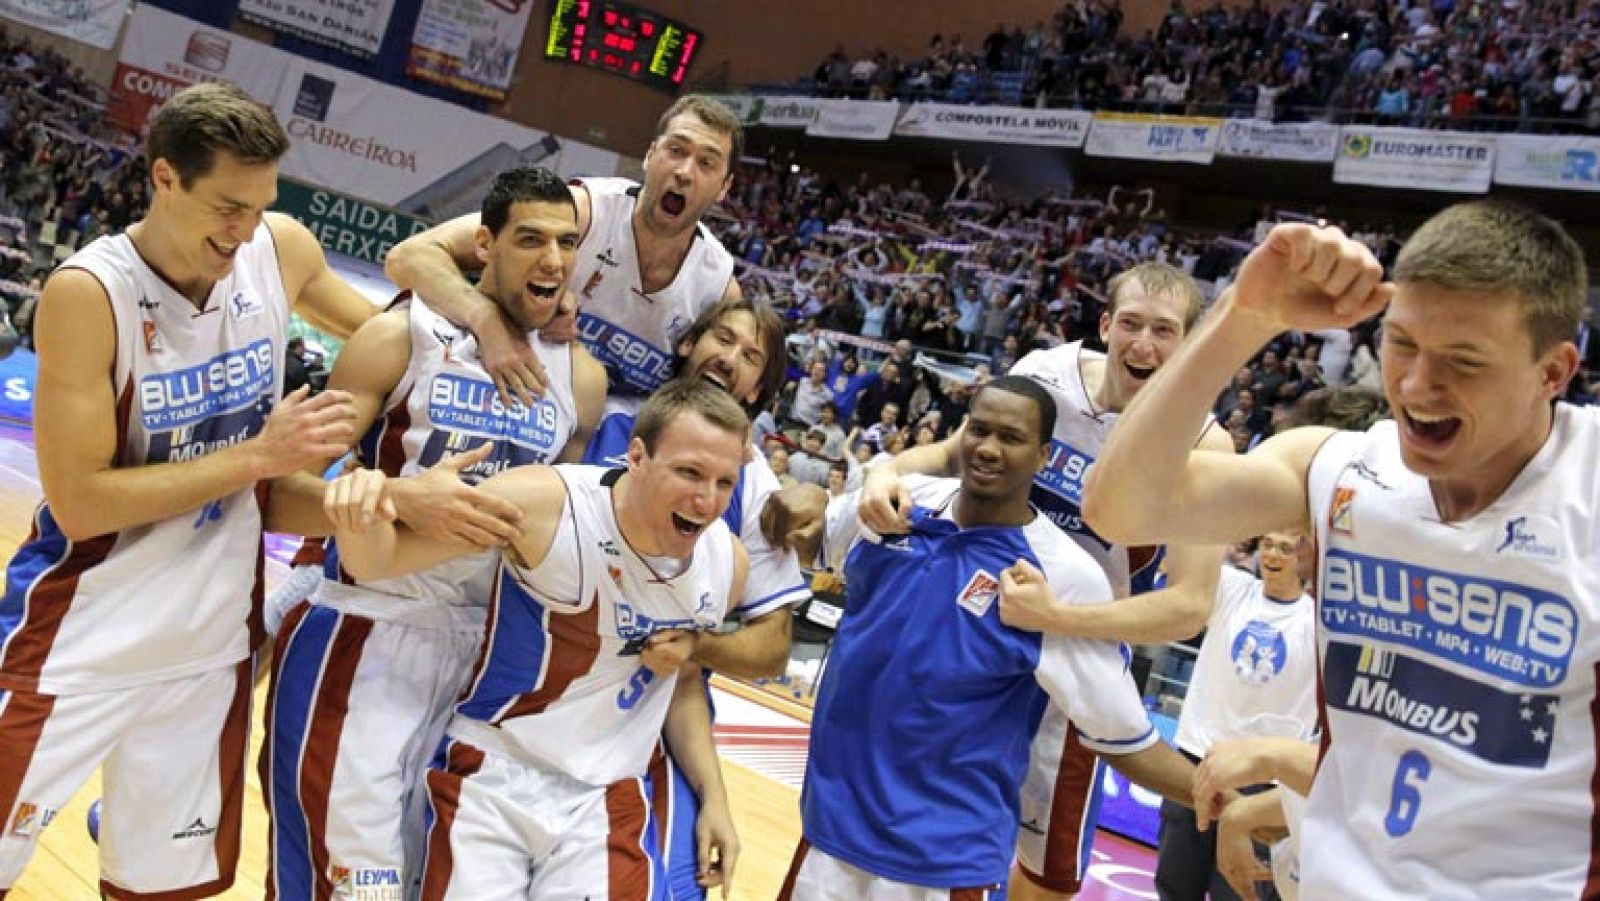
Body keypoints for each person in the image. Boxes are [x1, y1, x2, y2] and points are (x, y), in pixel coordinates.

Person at [1083, 202, 1598, 897]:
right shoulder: (1340, 466)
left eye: (1463, 361)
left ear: (1553, 371)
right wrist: (1245, 314)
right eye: (1403, 344)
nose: (1417, 385)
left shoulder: (1587, 489)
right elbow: (1119, 504)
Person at [0, 82, 377, 897]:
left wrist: (472, 310)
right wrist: (257, 455)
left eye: (261, 205)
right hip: (81, 628)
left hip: (206, 646)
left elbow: (397, 336)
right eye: (227, 206)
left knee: (162, 890)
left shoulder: (277, 250)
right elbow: (82, 501)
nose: (244, 231)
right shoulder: (88, 293)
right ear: (164, 178)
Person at [259, 167, 608, 898]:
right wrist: (397, 499)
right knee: (344, 886)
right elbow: (273, 492)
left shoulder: (581, 378)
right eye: (531, 239)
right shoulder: (400, 335)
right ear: (485, 244)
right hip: (365, 637)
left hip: (481, 672)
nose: (552, 259)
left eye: (567, 243)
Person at [859, 261, 1231, 899]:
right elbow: (951, 454)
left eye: (1165, 331)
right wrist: (884, 470)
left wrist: (1057, 618)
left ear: (1189, 342)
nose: (1144, 344)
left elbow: (1188, 608)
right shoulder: (1042, 375)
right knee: (926, 823)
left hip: (1074, 657)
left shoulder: (1203, 445)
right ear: (1107, 325)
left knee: (1045, 870)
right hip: (973, 631)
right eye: (1133, 324)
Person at [323, 379, 747, 899]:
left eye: (726, 482)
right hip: (494, 774)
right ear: (637, 457)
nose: (707, 500)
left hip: (607, 796)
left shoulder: (727, 564)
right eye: (689, 472)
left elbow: (679, 683)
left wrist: (715, 798)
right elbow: (374, 562)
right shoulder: (545, 505)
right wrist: (361, 508)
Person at [781, 377, 1200, 899]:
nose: (988, 448)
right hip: (827, 839)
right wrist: (798, 500)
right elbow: (805, 538)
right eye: (978, 430)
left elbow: (1122, 734)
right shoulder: (894, 505)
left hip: (943, 865)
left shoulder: (1064, 577)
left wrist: (1219, 798)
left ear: (1044, 455)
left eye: (1011, 437)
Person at [1155, 532, 1318, 901]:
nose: (1273, 555)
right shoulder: (1230, 587)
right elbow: (1178, 558)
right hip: (1196, 761)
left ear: (1305, 558)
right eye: (1268, 545)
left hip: (1265, 782)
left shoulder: (1318, 622)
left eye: (1286, 548)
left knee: (1244, 892)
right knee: (1174, 886)